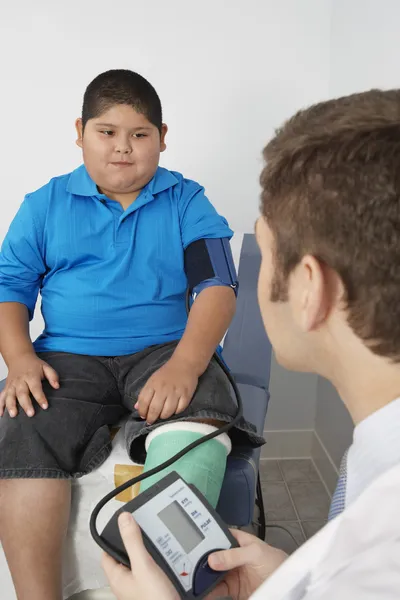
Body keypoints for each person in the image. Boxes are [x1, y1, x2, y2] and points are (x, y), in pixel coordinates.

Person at [102, 88, 400, 599]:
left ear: (310, 288)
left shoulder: (375, 555)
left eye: (262, 249)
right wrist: (288, 579)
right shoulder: (372, 476)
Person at [0, 69, 263, 600]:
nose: (123, 148)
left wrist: (186, 364)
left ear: (163, 138)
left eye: (140, 135)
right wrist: (20, 360)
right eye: (107, 132)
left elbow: (217, 287)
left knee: (204, 406)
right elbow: (10, 289)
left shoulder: (186, 200)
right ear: (80, 131)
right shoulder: (43, 206)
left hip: (164, 350)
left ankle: (152, 583)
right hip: (68, 358)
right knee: (26, 428)